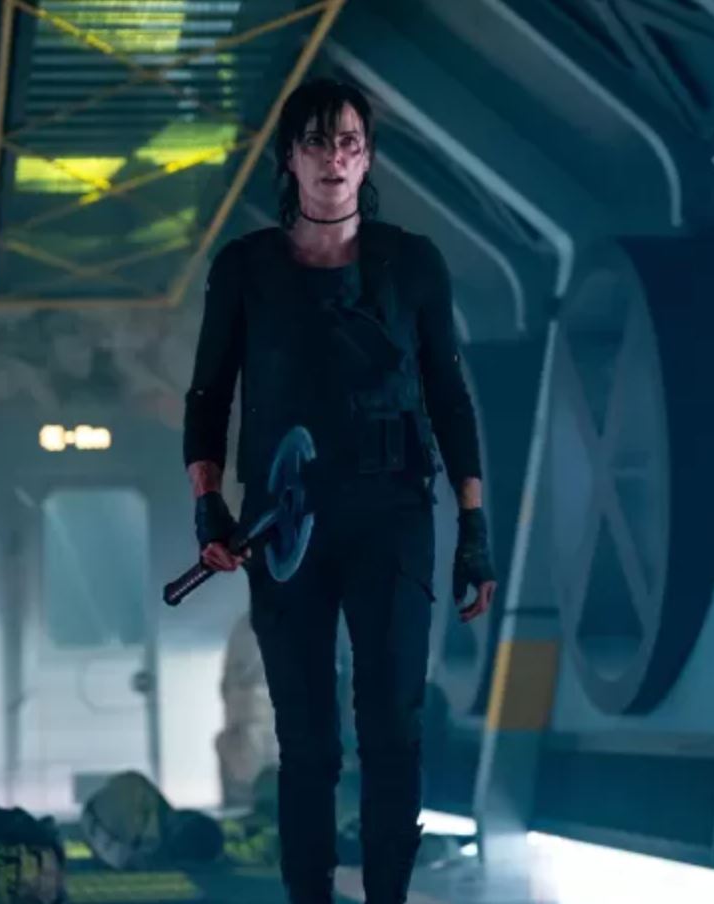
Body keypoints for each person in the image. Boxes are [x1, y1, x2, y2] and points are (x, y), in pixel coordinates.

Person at [182, 78, 497, 904]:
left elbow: (449, 397)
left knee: (392, 727)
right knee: (307, 739)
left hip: (392, 513)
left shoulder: (411, 264)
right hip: (284, 522)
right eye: (317, 142)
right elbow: (208, 394)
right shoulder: (246, 268)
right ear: (289, 157)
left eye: (349, 142)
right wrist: (207, 503)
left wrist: (472, 528)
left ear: (368, 157)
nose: (334, 158)